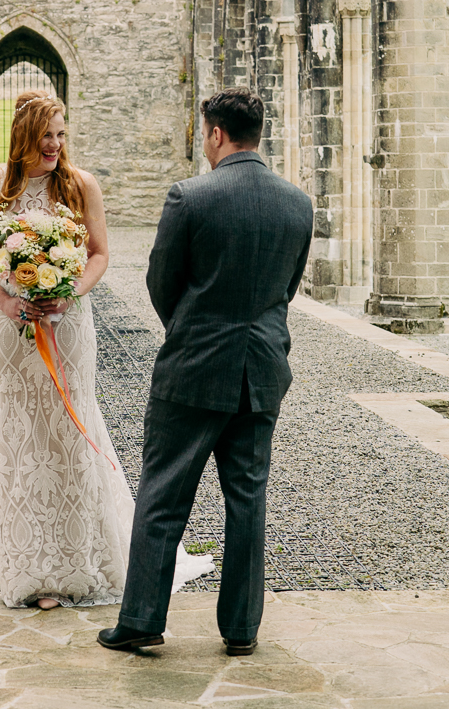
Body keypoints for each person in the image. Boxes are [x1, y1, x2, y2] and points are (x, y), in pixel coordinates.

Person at [0, 90, 215, 610]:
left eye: (60, 134)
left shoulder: (81, 187)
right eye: (45, 135)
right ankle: (32, 570)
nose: (54, 145)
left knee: (69, 436)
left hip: (68, 327)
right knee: (20, 444)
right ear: (23, 138)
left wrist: (69, 293)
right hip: (11, 334)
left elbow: (99, 255)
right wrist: (7, 302)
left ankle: (76, 565)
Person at [99, 86, 313, 656]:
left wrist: (189, 328)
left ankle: (144, 617)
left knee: (164, 494)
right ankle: (241, 629)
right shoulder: (298, 203)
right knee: (248, 499)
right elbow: (287, 288)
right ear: (256, 133)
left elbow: (161, 281)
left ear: (216, 133)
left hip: (194, 367)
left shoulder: (188, 196)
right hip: (262, 367)